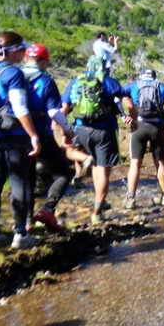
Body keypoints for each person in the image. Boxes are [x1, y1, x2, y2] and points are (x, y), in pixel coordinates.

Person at [0, 32, 42, 249]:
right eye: (22, 49)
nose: (24, 53)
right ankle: (20, 234)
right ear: (13, 51)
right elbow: (20, 107)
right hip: (13, 137)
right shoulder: (13, 73)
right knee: (19, 181)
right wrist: (33, 135)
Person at [61, 55, 128, 224]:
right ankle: (97, 213)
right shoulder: (110, 82)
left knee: (70, 152)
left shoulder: (75, 82)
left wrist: (64, 131)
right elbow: (127, 103)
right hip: (104, 131)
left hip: (80, 129)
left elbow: (64, 109)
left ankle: (85, 159)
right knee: (102, 170)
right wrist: (130, 117)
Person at [22, 44, 75, 232]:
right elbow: (53, 111)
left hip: (15, 135)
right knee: (64, 173)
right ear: (43, 61)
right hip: (41, 134)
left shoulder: (14, 76)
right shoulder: (45, 80)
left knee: (25, 178)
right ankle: (47, 209)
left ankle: (25, 223)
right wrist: (68, 130)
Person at [122, 68, 164, 209]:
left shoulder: (134, 85)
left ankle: (130, 199)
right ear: (154, 77)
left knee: (135, 164)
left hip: (138, 127)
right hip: (157, 128)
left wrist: (123, 116)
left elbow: (116, 97)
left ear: (141, 76)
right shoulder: (160, 86)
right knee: (160, 163)